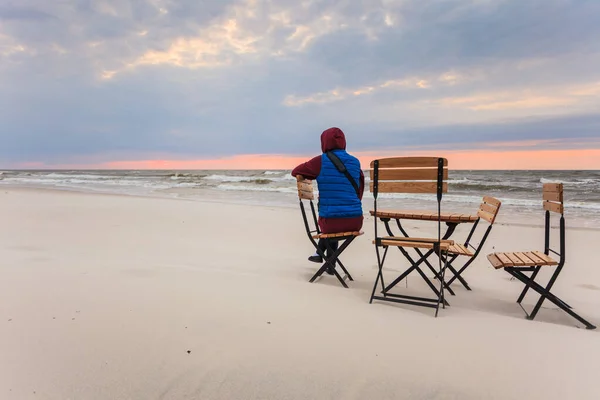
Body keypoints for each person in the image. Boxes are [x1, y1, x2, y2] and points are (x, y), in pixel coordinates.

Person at [291, 127, 365, 267]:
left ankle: (321, 255)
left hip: (330, 222)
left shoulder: (320, 161)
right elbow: (359, 190)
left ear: (324, 142)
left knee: (331, 220)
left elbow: (296, 171)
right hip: (356, 220)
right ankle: (329, 263)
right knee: (334, 215)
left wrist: (314, 174)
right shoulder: (355, 162)